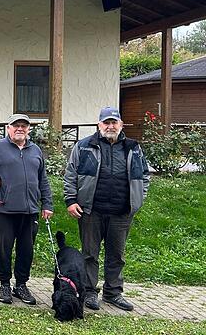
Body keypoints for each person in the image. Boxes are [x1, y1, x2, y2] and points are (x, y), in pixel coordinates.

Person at [64, 107, 150, 312]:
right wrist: (70, 200)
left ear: (121, 125)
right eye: (106, 122)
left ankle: (113, 293)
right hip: (91, 211)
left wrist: (138, 200)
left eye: (114, 122)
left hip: (121, 212)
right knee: (89, 255)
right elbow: (70, 174)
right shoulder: (84, 146)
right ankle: (89, 292)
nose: (110, 126)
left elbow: (144, 175)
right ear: (99, 125)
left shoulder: (133, 148)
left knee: (116, 255)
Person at [0, 113, 53, 306]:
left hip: (30, 210)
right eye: (16, 126)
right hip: (4, 210)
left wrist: (47, 204)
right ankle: (4, 284)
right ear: (8, 128)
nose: (20, 129)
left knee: (26, 250)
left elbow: (43, 180)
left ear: (29, 129)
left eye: (24, 126)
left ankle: (21, 285)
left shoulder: (35, 151)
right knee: (4, 250)